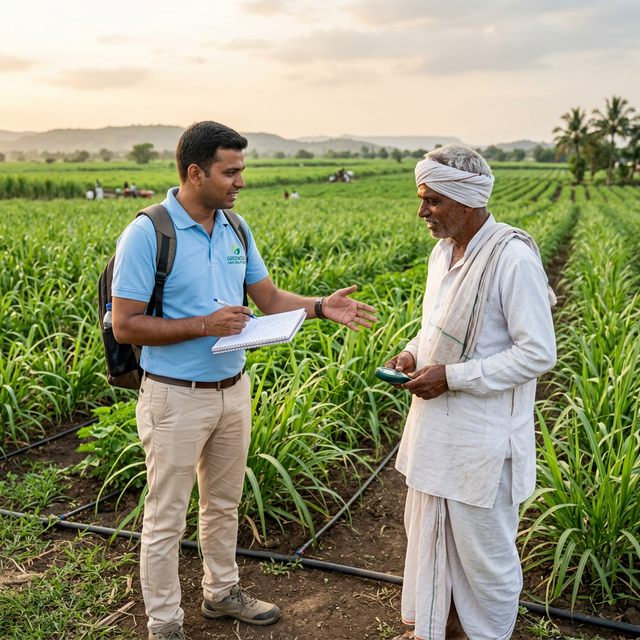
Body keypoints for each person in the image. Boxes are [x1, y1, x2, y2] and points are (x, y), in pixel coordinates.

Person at [111, 121, 377, 640]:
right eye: (230, 172)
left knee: (223, 503)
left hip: (232, 390)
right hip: (174, 397)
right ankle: (164, 623)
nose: (240, 182)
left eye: (242, 171)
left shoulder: (235, 227)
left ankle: (221, 592)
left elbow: (269, 300)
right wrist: (204, 325)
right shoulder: (148, 232)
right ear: (195, 173)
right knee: (166, 516)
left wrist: (322, 307)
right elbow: (126, 323)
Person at [386, 144, 556, 640]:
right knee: (431, 539)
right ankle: (439, 630)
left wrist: (453, 377)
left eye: (432, 201)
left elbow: (537, 354)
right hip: (436, 437)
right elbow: (435, 328)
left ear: (466, 200)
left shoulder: (512, 258)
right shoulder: (443, 254)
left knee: (484, 559)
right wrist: (413, 355)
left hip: (481, 443)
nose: (423, 212)